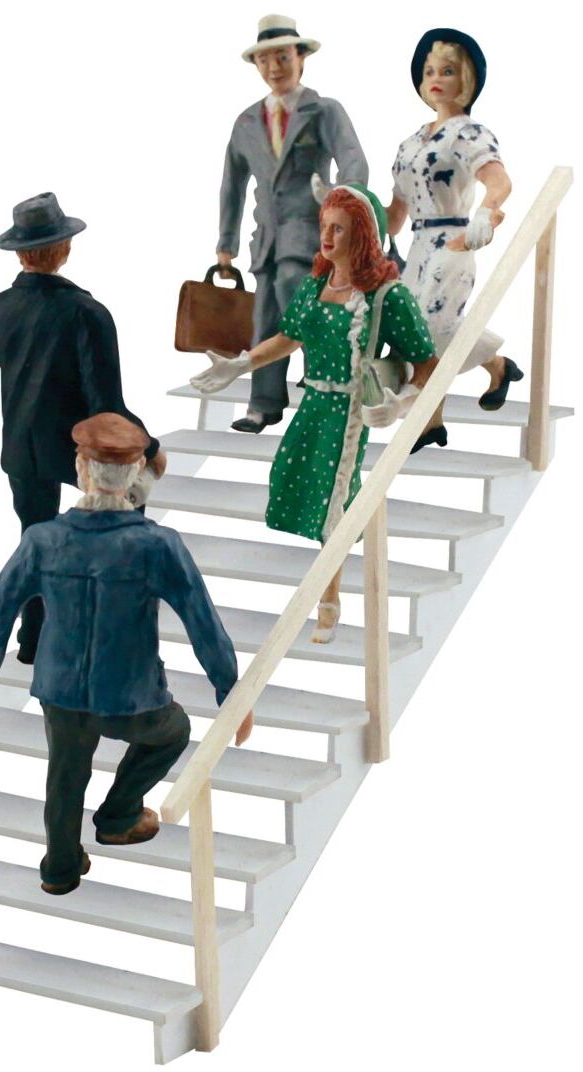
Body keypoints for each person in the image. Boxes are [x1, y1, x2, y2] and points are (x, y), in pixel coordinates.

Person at [0, 413, 252, 897]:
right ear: (136, 475)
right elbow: (201, 619)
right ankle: (118, 815)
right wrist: (229, 688)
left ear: (80, 470)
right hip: (130, 695)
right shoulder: (157, 544)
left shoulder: (43, 540)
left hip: (60, 688)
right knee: (173, 732)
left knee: (64, 777)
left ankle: (59, 868)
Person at [192, 185, 437, 641]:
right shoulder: (315, 285)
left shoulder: (387, 296)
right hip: (313, 405)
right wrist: (241, 364)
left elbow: (426, 360)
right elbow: (289, 338)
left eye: (338, 229)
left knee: (334, 498)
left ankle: (329, 600)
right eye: (324, 226)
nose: (326, 236)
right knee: (296, 482)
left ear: (362, 234)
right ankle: (328, 583)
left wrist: (403, 402)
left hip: (350, 410)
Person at [0, 191, 166, 664]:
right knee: (126, 521)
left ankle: (33, 639)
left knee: (34, 542)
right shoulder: (88, 313)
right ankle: (115, 625)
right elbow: (108, 406)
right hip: (81, 452)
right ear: (65, 248)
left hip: (22, 451)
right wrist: (149, 445)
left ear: (20, 254)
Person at [216, 13, 368, 434]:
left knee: (298, 294)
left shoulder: (323, 110)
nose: (274, 67)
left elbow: (353, 159)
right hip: (266, 236)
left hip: (313, 231)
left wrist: (347, 203)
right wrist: (226, 243)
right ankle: (263, 402)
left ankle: (321, 376)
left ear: (300, 58)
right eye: (265, 60)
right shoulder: (247, 122)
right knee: (265, 316)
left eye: (282, 57)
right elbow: (232, 184)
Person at [386, 28, 521, 453]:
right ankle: (498, 366)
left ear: (467, 78)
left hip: (453, 239)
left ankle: (428, 422)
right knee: (419, 327)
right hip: (417, 247)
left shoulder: (469, 134)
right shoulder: (411, 143)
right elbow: (395, 215)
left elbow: (499, 181)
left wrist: (486, 212)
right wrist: (351, 214)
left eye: (447, 70)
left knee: (431, 328)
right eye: (429, 71)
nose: (435, 79)